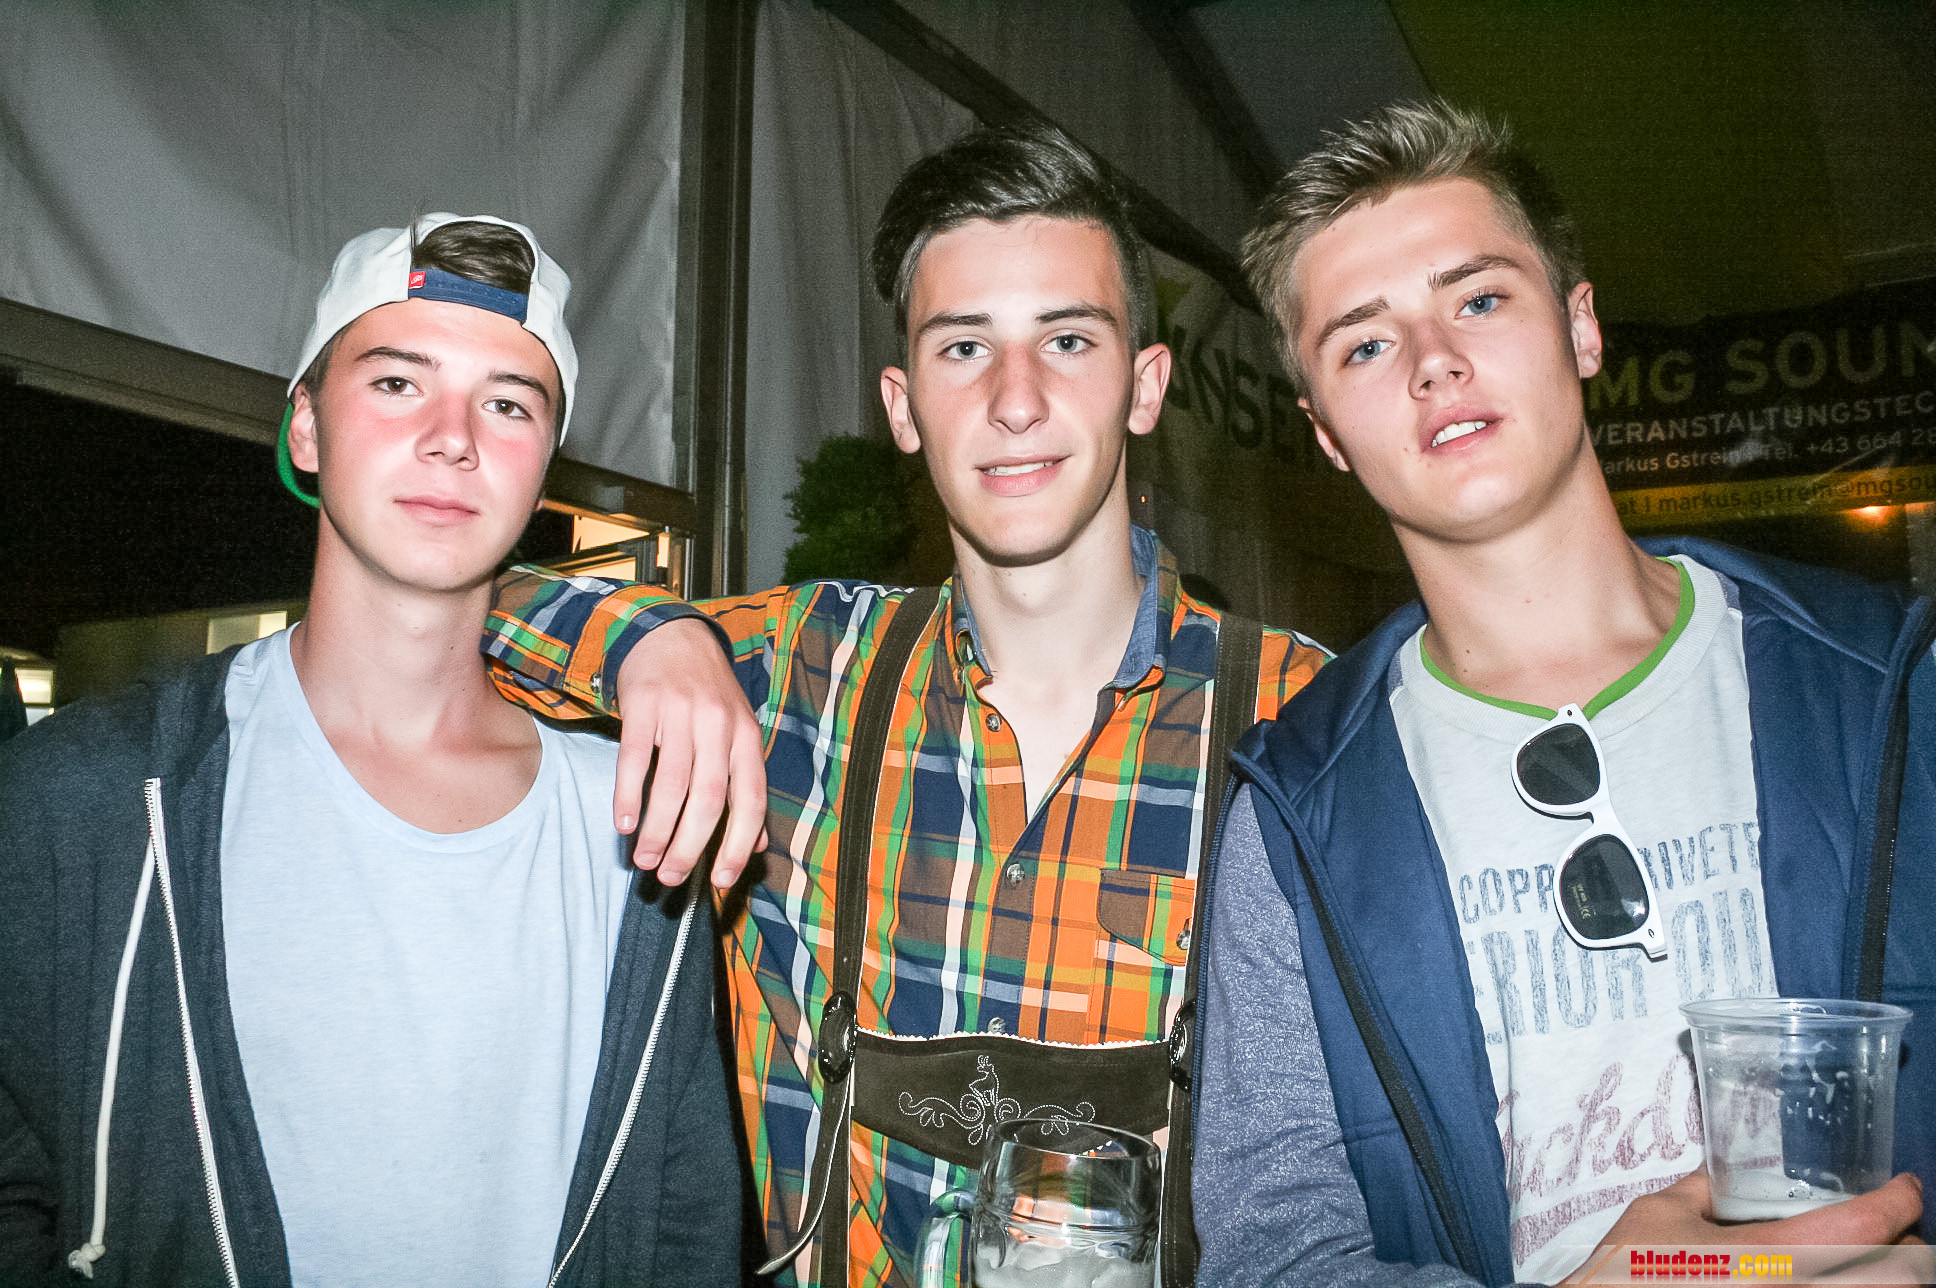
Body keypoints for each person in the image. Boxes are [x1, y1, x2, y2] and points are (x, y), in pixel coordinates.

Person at [482, 122, 1330, 1286]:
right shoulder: (806, 668)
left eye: (1067, 340)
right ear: (902, 403)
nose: (1015, 399)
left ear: (1144, 386)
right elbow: (453, 607)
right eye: (963, 347)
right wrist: (650, 637)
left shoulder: (1302, 720)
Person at [1192, 100, 1933, 1286]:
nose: (1433, 360)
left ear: (1580, 327)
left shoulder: (1890, 687)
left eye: (1479, 299)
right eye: (1364, 345)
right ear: (1324, 433)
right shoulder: (1293, 817)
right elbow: (1271, 1251)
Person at [0, 214, 740, 1287]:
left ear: (544, 469)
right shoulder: (92, 796)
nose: (453, 437)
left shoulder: (638, 825)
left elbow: (684, 1222)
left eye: (507, 403)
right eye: (397, 382)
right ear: (306, 429)